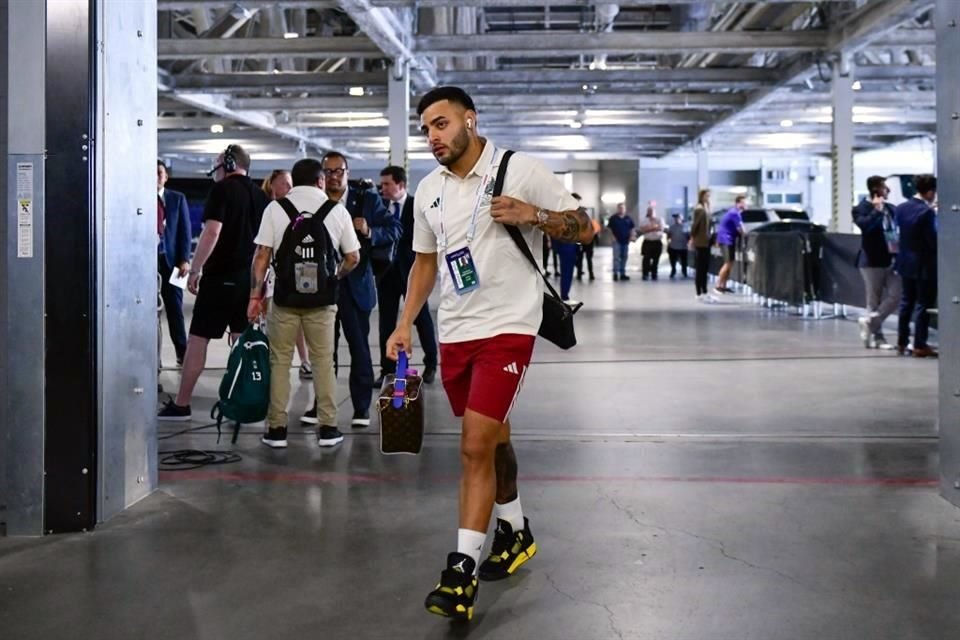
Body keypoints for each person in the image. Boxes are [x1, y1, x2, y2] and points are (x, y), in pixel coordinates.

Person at [385, 86, 594, 621]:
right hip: (456, 331)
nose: (432, 136)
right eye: (426, 128)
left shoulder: (520, 169)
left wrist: (535, 215)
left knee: (474, 446)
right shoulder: (428, 190)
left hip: (509, 327)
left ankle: (460, 573)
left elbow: (585, 225)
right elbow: (425, 263)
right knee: (495, 439)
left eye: (442, 124)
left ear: (469, 121)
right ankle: (516, 529)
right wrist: (405, 322)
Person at [248, 159, 360, 448]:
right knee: (324, 361)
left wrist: (255, 296)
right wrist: (334, 275)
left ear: (293, 182)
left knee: (280, 362)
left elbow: (262, 257)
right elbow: (353, 257)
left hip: (284, 298)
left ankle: (276, 430)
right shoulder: (337, 211)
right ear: (321, 181)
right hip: (322, 301)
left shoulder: (275, 208)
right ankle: (328, 428)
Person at [159, 144, 269, 421]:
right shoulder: (260, 195)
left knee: (198, 340)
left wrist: (195, 270)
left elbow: (212, 232)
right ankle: (242, 401)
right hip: (249, 279)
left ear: (229, 164)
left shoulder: (222, 190)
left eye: (218, 164)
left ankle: (182, 404)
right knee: (242, 340)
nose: (215, 170)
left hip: (221, 277)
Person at [304, 151, 400, 428]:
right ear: (322, 176)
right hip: (322, 285)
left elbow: (395, 229)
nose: (334, 176)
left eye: (339, 171)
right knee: (323, 351)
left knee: (359, 348)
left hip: (356, 285)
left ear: (347, 172)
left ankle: (361, 408)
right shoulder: (314, 201)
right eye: (329, 172)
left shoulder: (367, 199)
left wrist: (370, 230)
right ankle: (320, 405)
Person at [376, 165, 438, 385]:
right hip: (386, 275)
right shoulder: (380, 207)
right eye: (381, 184)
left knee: (421, 319)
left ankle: (431, 363)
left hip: (412, 272)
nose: (382, 188)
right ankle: (387, 370)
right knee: (386, 322)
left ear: (400, 185)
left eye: (387, 184)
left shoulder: (415, 206)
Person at [262, 170, 315, 377]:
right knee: (274, 321)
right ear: (272, 186)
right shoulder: (270, 210)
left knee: (301, 320)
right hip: (274, 275)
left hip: (299, 272)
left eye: (290, 182)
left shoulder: (299, 209)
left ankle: (305, 360)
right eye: (284, 183)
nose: (289, 187)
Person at [853, 176, 900, 350]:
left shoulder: (892, 209)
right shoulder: (860, 209)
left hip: (893, 259)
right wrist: (877, 211)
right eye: (885, 188)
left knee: (897, 294)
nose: (888, 191)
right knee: (874, 299)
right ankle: (878, 338)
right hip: (871, 261)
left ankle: (869, 322)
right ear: (876, 189)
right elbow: (866, 228)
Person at [894, 174, 938, 358]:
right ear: (929, 192)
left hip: (905, 262)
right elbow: (932, 240)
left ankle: (902, 342)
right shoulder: (926, 212)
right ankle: (919, 344)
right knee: (923, 304)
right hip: (924, 264)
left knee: (906, 303)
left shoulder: (901, 208)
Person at [157, 160, 192, 366]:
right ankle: (154, 357)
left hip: (174, 263)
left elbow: (185, 232)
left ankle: (182, 353)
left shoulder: (177, 199)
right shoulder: (140, 200)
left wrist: (185, 260)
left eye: (159, 172)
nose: (156, 176)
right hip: (148, 263)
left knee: (175, 309)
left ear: (166, 176)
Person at [715, 195, 746, 295]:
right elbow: (740, 229)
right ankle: (718, 285)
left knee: (730, 263)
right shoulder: (735, 214)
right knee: (728, 263)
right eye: (744, 202)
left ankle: (723, 285)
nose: (746, 204)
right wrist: (744, 235)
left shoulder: (734, 212)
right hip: (726, 240)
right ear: (739, 203)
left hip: (727, 239)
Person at [690, 189, 713, 301]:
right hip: (701, 241)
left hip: (706, 241)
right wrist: (692, 238)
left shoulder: (706, 208)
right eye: (706, 196)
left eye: (709, 196)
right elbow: (695, 225)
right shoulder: (699, 209)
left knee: (705, 267)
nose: (708, 197)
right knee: (700, 268)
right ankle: (699, 292)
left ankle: (704, 290)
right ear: (702, 196)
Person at [607, 203, 635, 281]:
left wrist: (631, 237)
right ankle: (615, 274)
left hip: (626, 241)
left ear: (625, 209)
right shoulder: (613, 218)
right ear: (617, 209)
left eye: (623, 208)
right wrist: (612, 237)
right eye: (620, 208)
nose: (621, 209)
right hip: (616, 241)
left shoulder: (628, 218)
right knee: (616, 258)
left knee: (624, 257)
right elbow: (609, 229)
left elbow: (632, 228)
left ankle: (622, 274)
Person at [574, 193, 597, 282]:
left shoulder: (584, 211)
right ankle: (579, 273)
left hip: (588, 239)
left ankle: (591, 273)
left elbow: (592, 224)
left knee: (589, 258)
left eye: (578, 201)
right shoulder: (573, 212)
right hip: (579, 239)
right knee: (579, 258)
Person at [639, 203, 664, 281]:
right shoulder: (644, 220)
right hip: (648, 242)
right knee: (646, 259)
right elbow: (642, 230)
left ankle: (654, 274)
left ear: (655, 212)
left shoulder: (660, 219)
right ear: (647, 212)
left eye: (652, 211)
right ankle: (645, 274)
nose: (650, 213)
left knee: (656, 259)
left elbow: (661, 228)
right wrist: (654, 228)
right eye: (649, 211)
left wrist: (649, 228)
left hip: (657, 242)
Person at [666, 212, 689, 279]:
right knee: (673, 260)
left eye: (678, 218)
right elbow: (669, 236)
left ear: (681, 218)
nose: (676, 219)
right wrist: (669, 242)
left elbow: (688, 236)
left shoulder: (685, 227)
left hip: (683, 247)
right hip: (673, 246)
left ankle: (684, 271)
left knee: (684, 261)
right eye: (675, 218)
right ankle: (673, 270)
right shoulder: (672, 227)